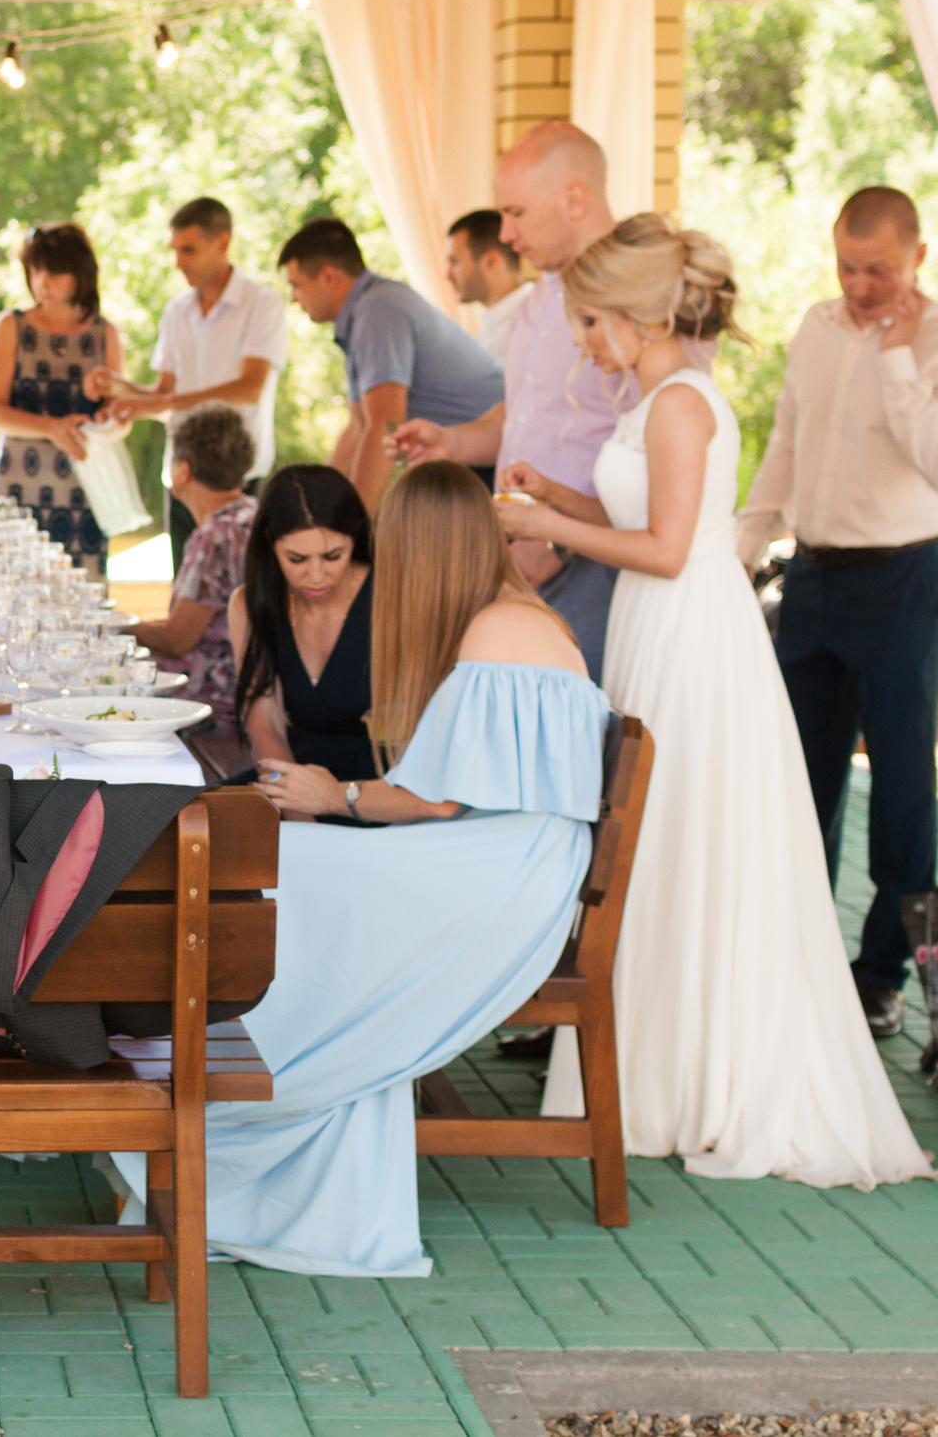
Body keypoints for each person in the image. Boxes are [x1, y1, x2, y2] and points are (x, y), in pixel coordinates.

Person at [495, 215, 934, 1188]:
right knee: (656, 843)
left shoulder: (682, 403)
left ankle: (706, 1078)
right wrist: (557, 497)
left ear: (633, 314)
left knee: (689, 838)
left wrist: (537, 520)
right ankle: (656, 1074)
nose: (581, 340)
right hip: (660, 624)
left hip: (692, 633)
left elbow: (666, 545)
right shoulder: (652, 395)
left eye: (590, 321)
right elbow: (644, 519)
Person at [158, 460, 612, 1273]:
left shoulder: (496, 632)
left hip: (505, 870)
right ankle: (265, 1076)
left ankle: (275, 1082)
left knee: (292, 864)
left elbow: (436, 800)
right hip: (502, 849)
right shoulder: (501, 617)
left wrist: (339, 799)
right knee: (293, 860)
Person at [735, 186, 938, 1051]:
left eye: (878, 270)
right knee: (802, 782)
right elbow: (787, 441)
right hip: (816, 582)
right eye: (847, 266)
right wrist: (745, 539)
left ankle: (884, 980)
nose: (860, 286)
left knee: (904, 790)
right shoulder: (816, 326)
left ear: (918, 258)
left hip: (903, 578)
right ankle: (800, 960)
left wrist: (902, 360)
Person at [390, 122, 638, 682]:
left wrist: (560, 541)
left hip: (595, 566)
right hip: (517, 555)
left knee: (588, 743)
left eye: (516, 213)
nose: (504, 233)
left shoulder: (638, 296)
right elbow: (520, 416)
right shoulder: (535, 302)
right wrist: (452, 442)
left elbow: (656, 445)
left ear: (574, 199)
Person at [96, 197, 288, 560]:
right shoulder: (176, 311)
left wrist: (164, 402)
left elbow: (250, 390)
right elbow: (167, 397)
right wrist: (124, 392)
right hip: (183, 479)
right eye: (175, 250)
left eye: (189, 250)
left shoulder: (262, 304)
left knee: (240, 596)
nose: (178, 262)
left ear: (223, 242)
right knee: (184, 598)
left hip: (238, 477)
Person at [277, 218, 504, 510]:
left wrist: (351, 527)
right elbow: (358, 425)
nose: (294, 299)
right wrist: (315, 506)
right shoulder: (365, 310)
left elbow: (384, 424)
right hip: (467, 461)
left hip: (493, 463)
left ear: (329, 277)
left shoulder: (376, 310)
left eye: (296, 285)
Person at [0, 222, 126, 570]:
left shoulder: (106, 335)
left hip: (84, 488)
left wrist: (108, 422)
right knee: (9, 587)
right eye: (36, 270)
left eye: (55, 272)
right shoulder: (11, 325)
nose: (43, 282)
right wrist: (51, 427)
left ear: (80, 274)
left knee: (81, 596)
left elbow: (118, 419)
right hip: (18, 483)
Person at [224, 464, 378, 788]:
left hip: (378, 789)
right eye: (297, 559)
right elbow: (265, 728)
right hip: (288, 779)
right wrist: (298, 811)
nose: (317, 575)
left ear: (357, 535)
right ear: (269, 540)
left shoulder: (391, 596)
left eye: (333, 556)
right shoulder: (250, 606)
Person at [131, 403, 257, 731]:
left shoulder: (218, 535)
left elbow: (177, 640)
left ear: (183, 471)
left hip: (214, 697)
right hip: (255, 690)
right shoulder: (254, 516)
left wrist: (109, 628)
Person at [447, 209, 532, 364]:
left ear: (491, 262)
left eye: (456, 262)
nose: (448, 275)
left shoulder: (531, 322)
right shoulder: (494, 319)